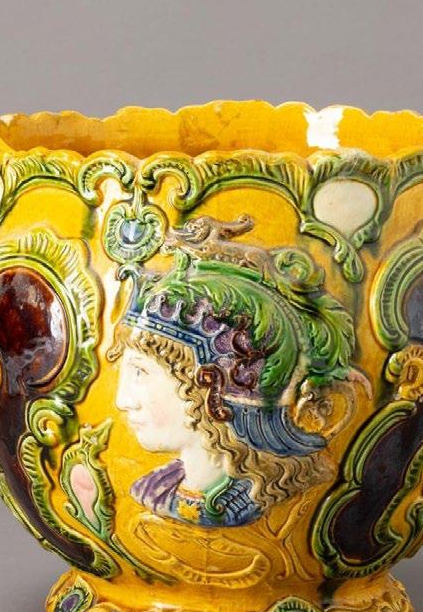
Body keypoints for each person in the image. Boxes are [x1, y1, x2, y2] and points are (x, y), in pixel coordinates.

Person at [108, 215, 358, 528]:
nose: (123, 400)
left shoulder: (270, 503)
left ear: (210, 387)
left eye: (140, 373)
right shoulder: (154, 490)